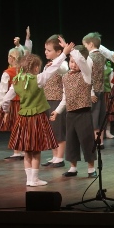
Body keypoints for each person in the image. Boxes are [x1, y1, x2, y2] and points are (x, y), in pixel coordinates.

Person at [1, 38, 73, 186]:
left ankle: (29, 179)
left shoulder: (16, 81)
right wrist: (64, 54)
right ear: (35, 68)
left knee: (27, 150)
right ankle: (34, 179)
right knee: (36, 150)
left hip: (23, 118)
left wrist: (6, 111)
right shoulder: (38, 79)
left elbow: (6, 100)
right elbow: (54, 67)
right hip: (37, 119)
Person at [51, 44, 98, 178]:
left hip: (83, 113)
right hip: (70, 113)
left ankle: (91, 168)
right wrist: (57, 111)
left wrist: (72, 50)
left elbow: (82, 62)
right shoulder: (65, 77)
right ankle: (73, 167)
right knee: (71, 141)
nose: (73, 65)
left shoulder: (86, 74)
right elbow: (65, 98)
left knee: (87, 141)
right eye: (71, 61)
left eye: (76, 62)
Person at [0, 27, 32, 160]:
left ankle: (17, 152)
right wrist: (25, 41)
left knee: (15, 126)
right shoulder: (24, 70)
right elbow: (27, 54)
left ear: (11, 58)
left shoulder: (8, 73)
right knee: (22, 126)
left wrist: (0, 104)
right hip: (24, 102)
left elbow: (3, 90)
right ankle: (23, 150)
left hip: (13, 103)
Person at [40, 34, 68, 168]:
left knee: (58, 131)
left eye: (49, 50)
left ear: (58, 52)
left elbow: (63, 69)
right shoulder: (47, 65)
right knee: (51, 131)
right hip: (47, 100)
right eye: (45, 49)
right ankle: (54, 156)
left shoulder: (63, 64)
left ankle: (60, 158)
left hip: (57, 101)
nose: (46, 52)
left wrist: (58, 62)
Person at [82, 32, 109, 142]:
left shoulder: (89, 57)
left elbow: (88, 76)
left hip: (93, 91)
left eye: (85, 45)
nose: (84, 48)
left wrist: (91, 92)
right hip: (101, 90)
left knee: (94, 116)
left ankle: (94, 141)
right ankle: (100, 141)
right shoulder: (102, 57)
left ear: (91, 44)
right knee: (100, 116)